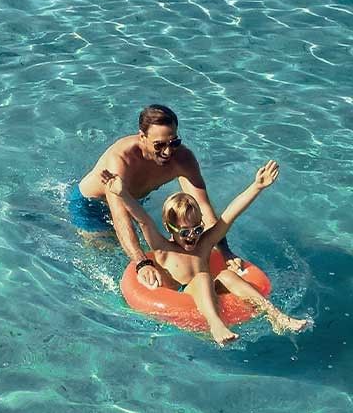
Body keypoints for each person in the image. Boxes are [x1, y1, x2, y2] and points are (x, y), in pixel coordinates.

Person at [106, 161, 308, 344]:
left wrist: (257, 186)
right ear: (169, 228)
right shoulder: (162, 249)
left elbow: (230, 215)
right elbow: (143, 220)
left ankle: (276, 316)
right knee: (203, 277)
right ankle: (216, 325)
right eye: (184, 232)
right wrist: (123, 194)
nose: (192, 236)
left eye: (197, 229)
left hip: (210, 290)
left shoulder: (204, 244)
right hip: (181, 297)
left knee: (227, 275)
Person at [71, 105, 239, 289]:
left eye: (174, 143)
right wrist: (141, 263)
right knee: (112, 259)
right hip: (91, 207)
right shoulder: (121, 160)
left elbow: (204, 208)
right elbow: (120, 218)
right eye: (159, 145)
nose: (168, 152)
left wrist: (225, 253)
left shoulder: (183, 159)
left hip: (133, 201)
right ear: (142, 137)